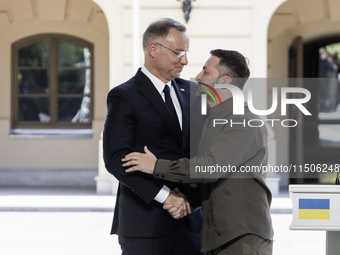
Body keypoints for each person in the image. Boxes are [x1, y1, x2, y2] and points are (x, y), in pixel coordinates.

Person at [122, 49, 274, 255]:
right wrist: (188, 202)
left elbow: (209, 168)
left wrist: (156, 166)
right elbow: (212, 179)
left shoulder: (243, 120)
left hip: (242, 238)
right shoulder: (213, 119)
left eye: (205, 72)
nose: (198, 77)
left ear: (225, 81)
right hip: (217, 237)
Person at [102, 18, 203, 255]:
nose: (185, 60)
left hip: (192, 222)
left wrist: (250, 121)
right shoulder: (123, 96)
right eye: (178, 52)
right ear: (153, 49)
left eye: (186, 52)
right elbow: (116, 158)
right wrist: (166, 197)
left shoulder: (193, 92)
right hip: (144, 224)